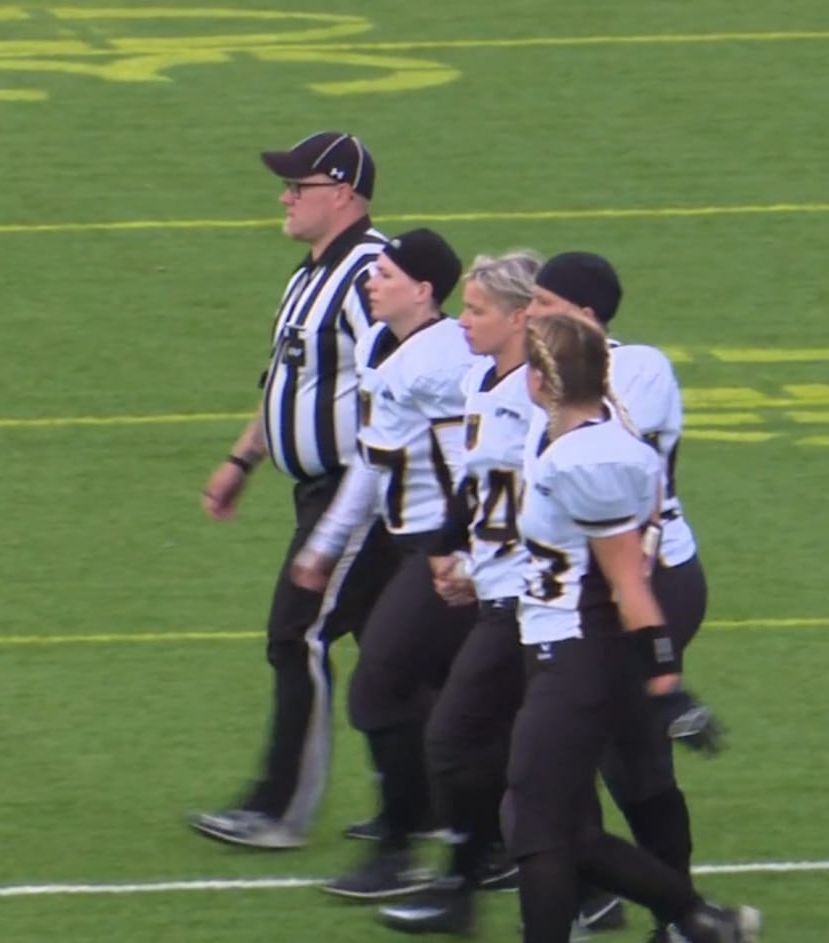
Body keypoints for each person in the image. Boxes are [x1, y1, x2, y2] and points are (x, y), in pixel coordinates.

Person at [501, 311, 760, 943]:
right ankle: (701, 920)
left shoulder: (591, 457)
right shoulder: (577, 440)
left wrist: (667, 684)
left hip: (577, 654)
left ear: (541, 380)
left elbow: (628, 581)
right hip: (558, 646)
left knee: (535, 824)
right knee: (563, 828)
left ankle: (697, 917)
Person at [190, 131, 399, 850]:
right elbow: (288, 383)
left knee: (296, 634)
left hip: (357, 493)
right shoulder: (308, 275)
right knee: (397, 655)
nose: (284, 198)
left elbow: (399, 390)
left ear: (341, 194)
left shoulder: (373, 275)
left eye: (297, 186)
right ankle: (431, 804)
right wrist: (242, 459)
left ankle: (280, 809)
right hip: (317, 489)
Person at [291, 229, 483, 898]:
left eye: (387, 274)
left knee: (379, 687)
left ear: (424, 290)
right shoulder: (381, 343)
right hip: (410, 542)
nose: (371, 282)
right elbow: (373, 463)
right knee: (460, 702)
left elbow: (471, 468)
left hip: (444, 550)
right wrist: (325, 545)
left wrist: (461, 552)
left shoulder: (441, 359)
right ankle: (489, 842)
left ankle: (404, 847)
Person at [375, 249, 545, 935]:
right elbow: (476, 481)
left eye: (476, 310)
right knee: (486, 739)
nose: (462, 321)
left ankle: (679, 909)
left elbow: (548, 493)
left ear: (520, 316)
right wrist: (452, 549)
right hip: (496, 587)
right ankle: (473, 882)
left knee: (474, 739)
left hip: (535, 597)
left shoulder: (545, 394)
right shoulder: (479, 377)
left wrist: (479, 560)